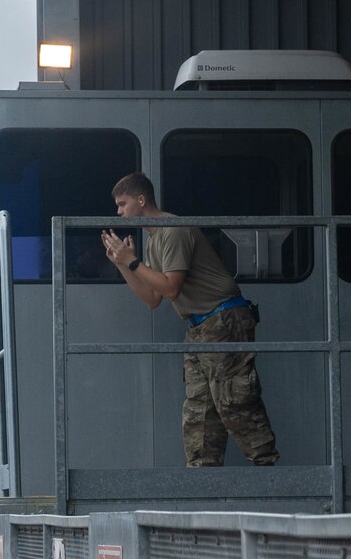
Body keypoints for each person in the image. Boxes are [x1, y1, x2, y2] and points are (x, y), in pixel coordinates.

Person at [100, 172, 279, 467]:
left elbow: (171, 288)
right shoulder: (154, 241)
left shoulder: (172, 229)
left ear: (141, 200)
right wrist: (123, 264)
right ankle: (202, 479)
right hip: (199, 327)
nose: (119, 212)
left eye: (122, 203)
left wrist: (133, 262)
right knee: (200, 413)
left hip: (223, 320)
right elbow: (152, 298)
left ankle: (269, 473)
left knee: (235, 402)